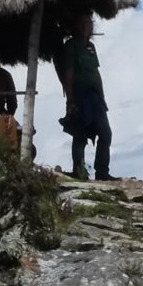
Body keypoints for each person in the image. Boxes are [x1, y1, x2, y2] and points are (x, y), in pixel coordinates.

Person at [52, 10, 112, 180]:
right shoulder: (71, 47)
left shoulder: (90, 47)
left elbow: (96, 72)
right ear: (74, 26)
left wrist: (102, 96)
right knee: (80, 134)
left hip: (95, 95)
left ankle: (102, 172)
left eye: (87, 23)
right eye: (81, 23)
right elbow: (68, 74)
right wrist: (70, 100)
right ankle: (79, 171)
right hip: (79, 93)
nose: (85, 27)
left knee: (105, 133)